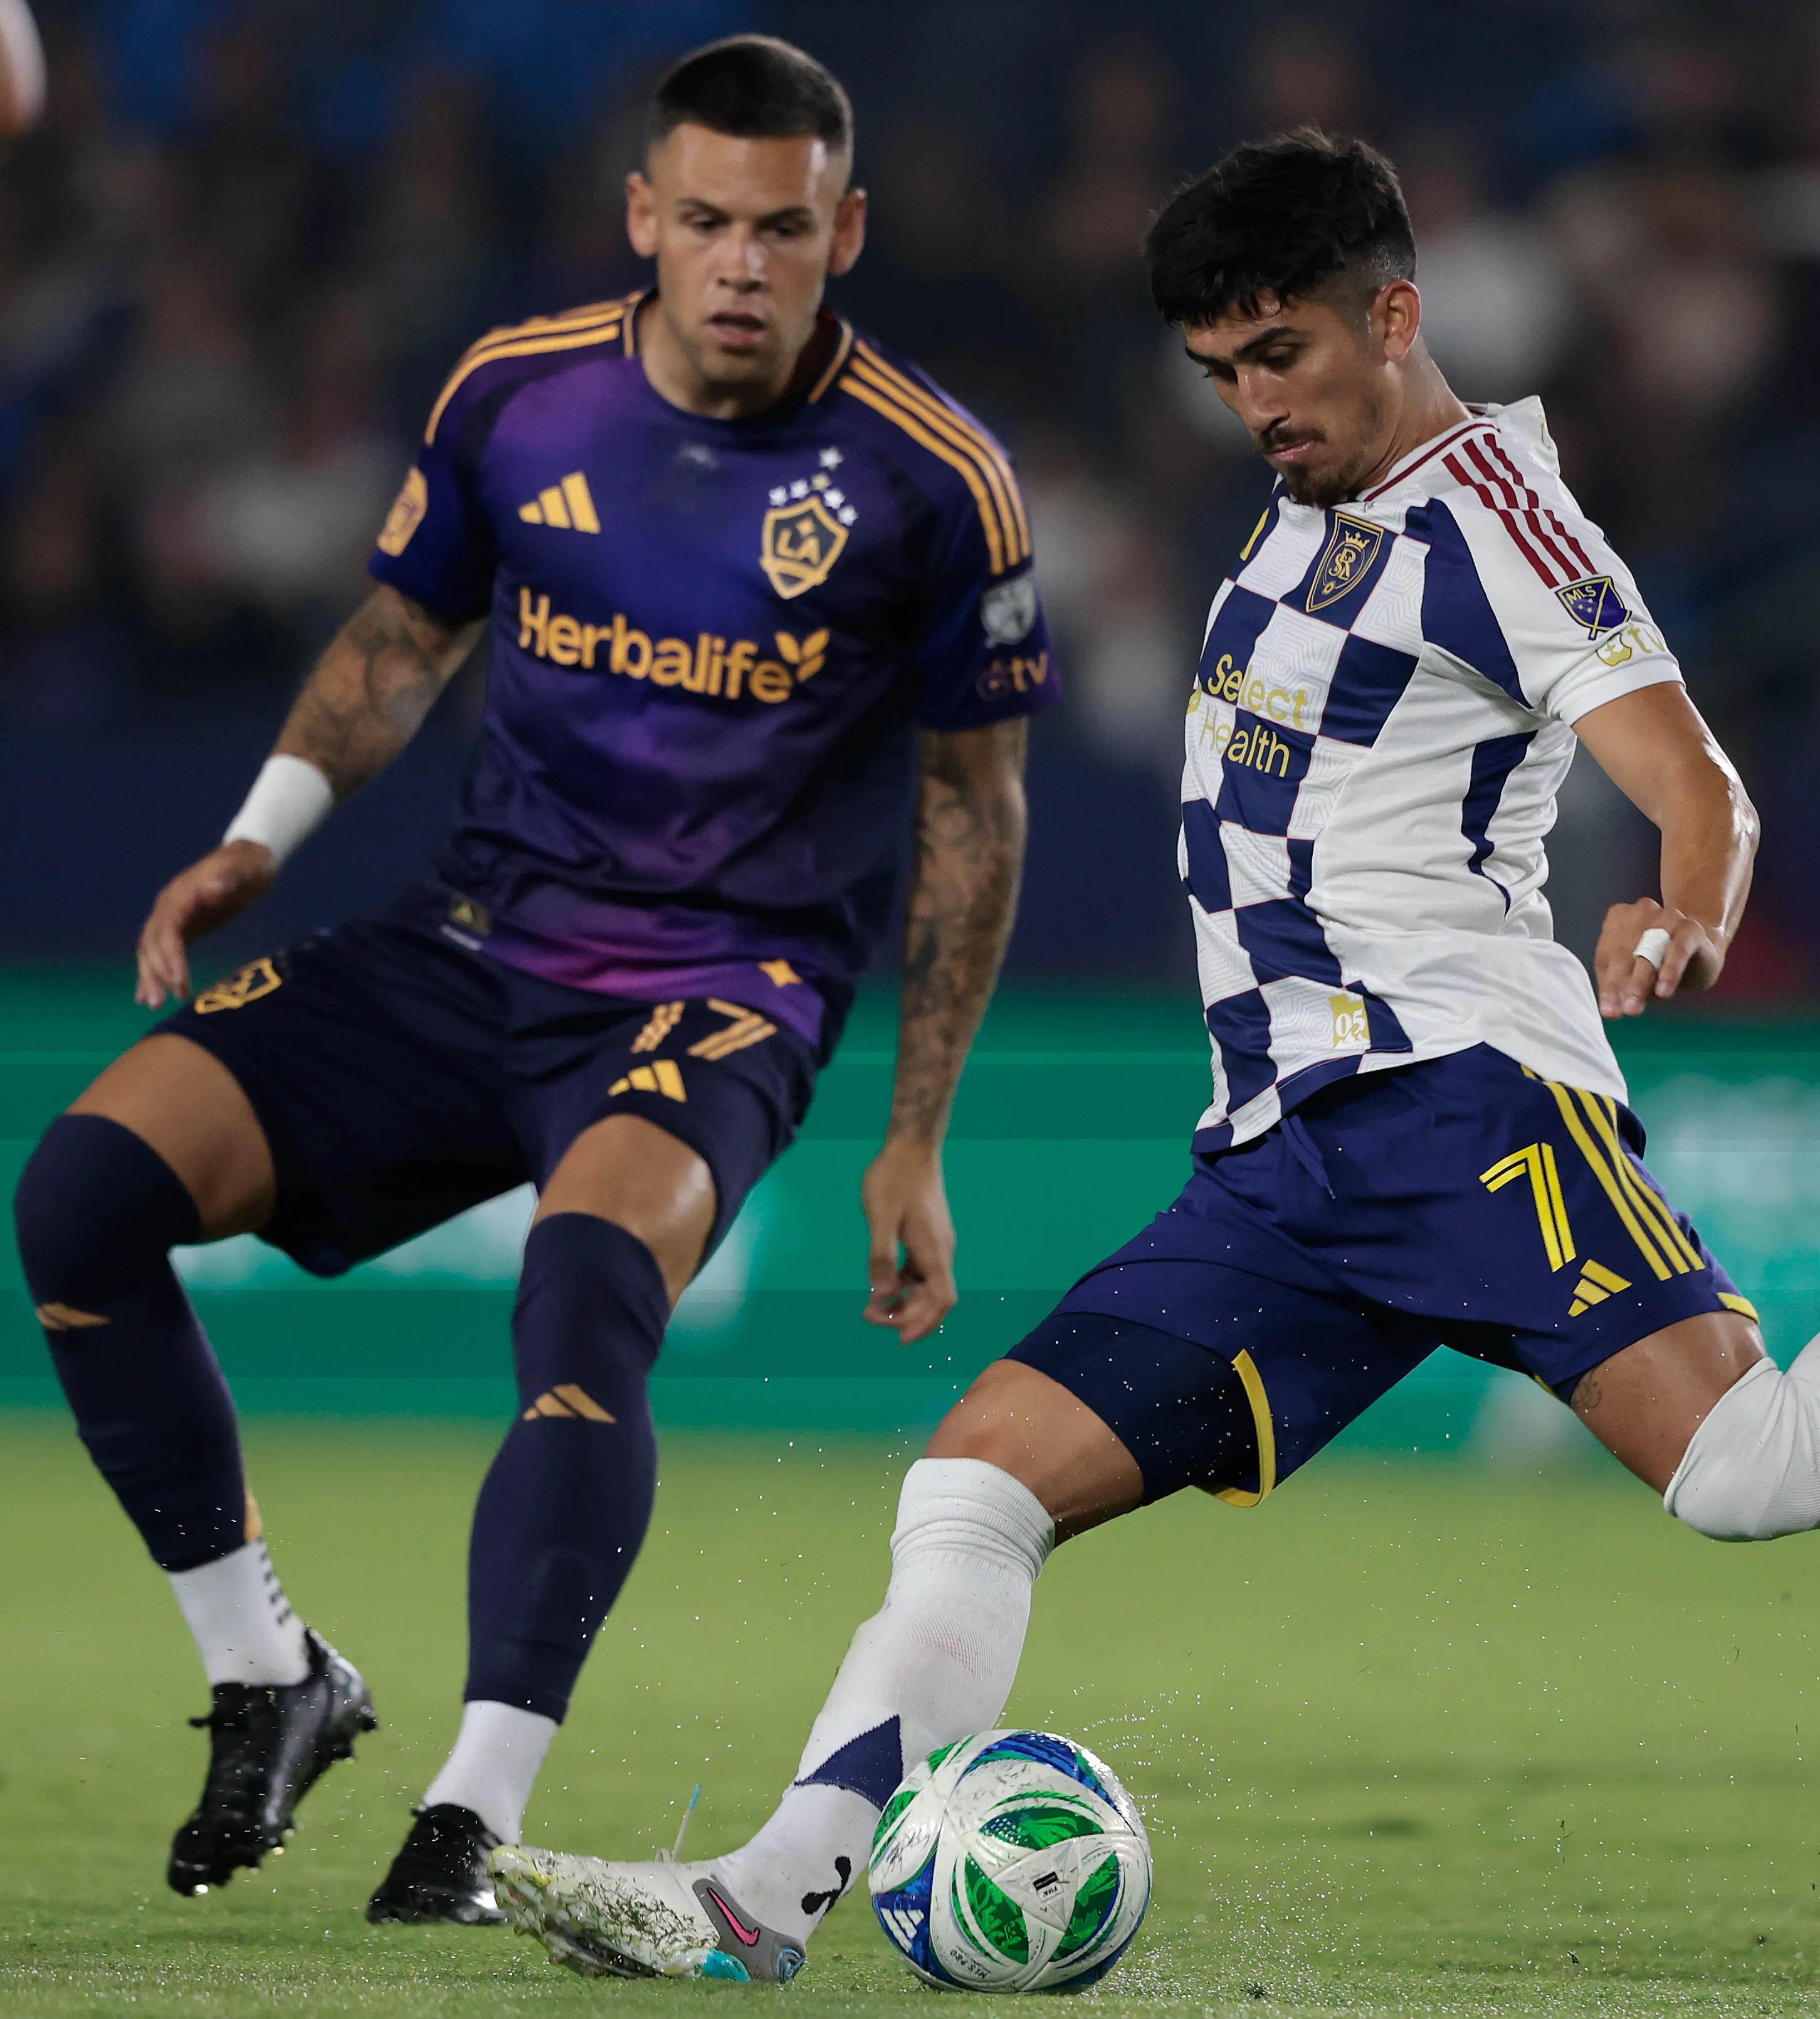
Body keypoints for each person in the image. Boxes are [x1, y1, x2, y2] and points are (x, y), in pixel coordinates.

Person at [484, 131, 1820, 1986]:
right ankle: (756, 1901)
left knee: (1756, 1470)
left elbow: (1690, 773)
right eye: (1221, 369)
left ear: (1394, 312)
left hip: (1458, 1094)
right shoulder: (1313, 505)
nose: (1254, 401)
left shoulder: (1499, 518)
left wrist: (1685, 903)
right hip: (1284, 1161)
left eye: (1283, 354)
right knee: (974, 1485)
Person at [11, 37, 1055, 1919]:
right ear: (645, 216)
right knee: (80, 1194)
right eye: (711, 222)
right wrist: (263, 830)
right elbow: (406, 632)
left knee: (585, 1296)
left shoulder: (934, 482)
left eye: (787, 229)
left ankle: (465, 1820)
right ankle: (271, 1674)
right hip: (472, 943)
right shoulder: (520, 396)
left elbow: (977, 809)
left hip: (720, 995)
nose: (744, 263)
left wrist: (917, 1135)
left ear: (850, 232)